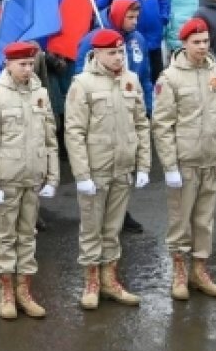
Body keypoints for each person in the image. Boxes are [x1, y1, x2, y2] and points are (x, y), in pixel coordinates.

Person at [64, 29, 151, 310]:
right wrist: (81, 174)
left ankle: (110, 280)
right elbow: (74, 131)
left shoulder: (131, 80)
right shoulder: (82, 84)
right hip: (96, 168)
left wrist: (143, 165)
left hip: (123, 167)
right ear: (97, 53)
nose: (117, 58)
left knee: (113, 229)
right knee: (92, 228)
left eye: (120, 52)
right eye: (111, 53)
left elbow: (141, 124)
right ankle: (91, 282)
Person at [152, 18, 216, 301]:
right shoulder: (170, 78)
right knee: (180, 220)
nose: (202, 47)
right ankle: (179, 271)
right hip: (185, 161)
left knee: (204, 220)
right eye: (196, 42)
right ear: (184, 43)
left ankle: (199, 270)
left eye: (205, 41)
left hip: (212, 157)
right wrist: (169, 166)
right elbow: (162, 125)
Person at [0, 42, 58, 320]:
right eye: (21, 64)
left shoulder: (41, 94)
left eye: (30, 63)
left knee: (27, 236)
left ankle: (24, 290)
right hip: (6, 181)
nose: (27, 69)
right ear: (8, 64)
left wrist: (52, 176)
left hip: (32, 179)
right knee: (4, 237)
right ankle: (6, 291)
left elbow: (50, 139)